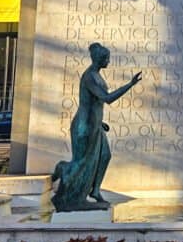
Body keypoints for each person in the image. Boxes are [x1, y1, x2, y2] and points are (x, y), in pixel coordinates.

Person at [51, 42, 142, 211]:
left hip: (95, 125)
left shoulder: (97, 75)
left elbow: (95, 103)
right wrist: (129, 85)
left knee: (105, 156)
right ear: (100, 59)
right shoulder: (89, 76)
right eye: (106, 58)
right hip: (84, 125)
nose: (109, 61)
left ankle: (95, 190)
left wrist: (100, 123)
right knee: (82, 162)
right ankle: (64, 176)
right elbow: (106, 98)